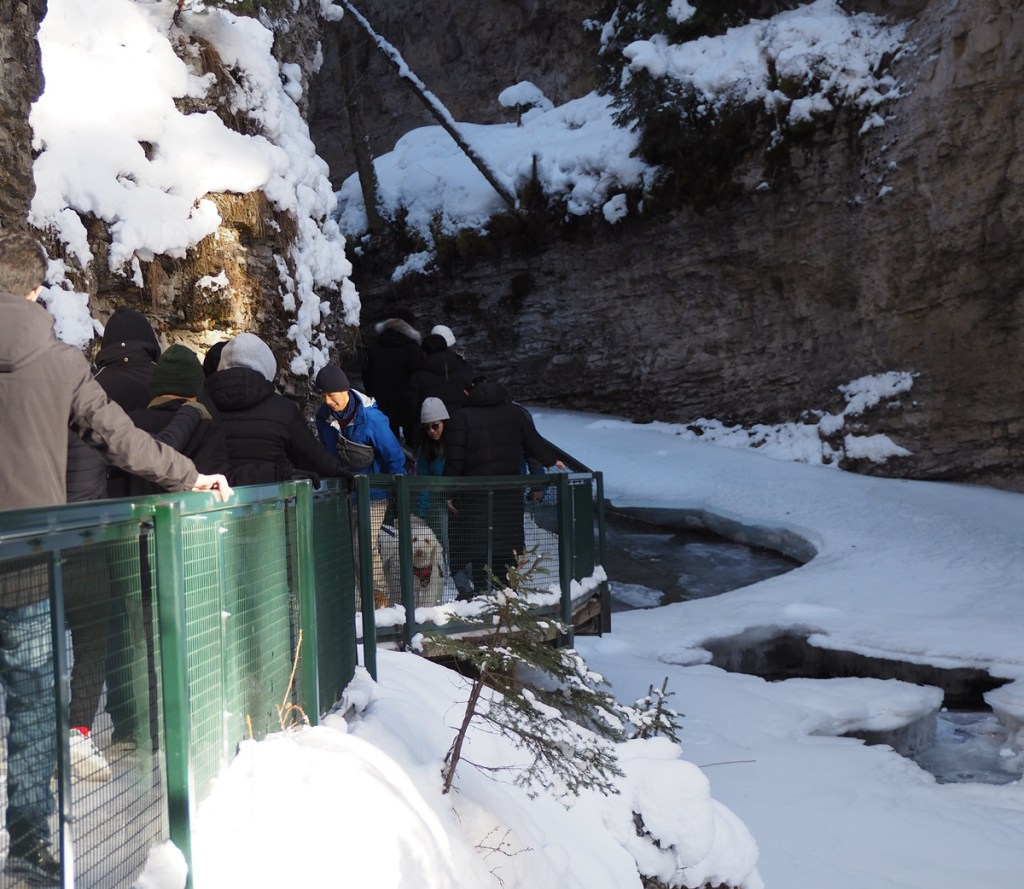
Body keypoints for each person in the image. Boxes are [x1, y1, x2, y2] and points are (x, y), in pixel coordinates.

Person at [0, 231, 231, 883]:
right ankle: (28, 841)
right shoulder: (64, 362)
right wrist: (190, 476)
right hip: (26, 566)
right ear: (36, 287)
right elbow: (124, 442)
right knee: (31, 703)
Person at [444, 377, 566, 598]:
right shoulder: (515, 414)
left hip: (475, 496)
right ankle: (508, 599)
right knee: (507, 547)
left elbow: (455, 459)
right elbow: (533, 441)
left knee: (480, 549)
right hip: (508, 494)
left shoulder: (461, 417)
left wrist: (449, 492)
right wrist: (551, 460)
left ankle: (483, 597)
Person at [205, 332, 351, 487]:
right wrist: (340, 472)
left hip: (213, 503)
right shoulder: (283, 409)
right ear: (266, 365)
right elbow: (311, 454)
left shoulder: (202, 405)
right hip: (273, 499)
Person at [314, 365, 407, 607]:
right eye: (323, 395)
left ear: (345, 390)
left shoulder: (371, 419)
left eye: (331, 395)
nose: (328, 401)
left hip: (374, 492)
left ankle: (380, 598)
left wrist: (399, 487)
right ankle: (356, 601)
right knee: (346, 547)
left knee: (361, 544)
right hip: (344, 493)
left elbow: (393, 455)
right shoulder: (324, 417)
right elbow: (328, 451)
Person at [360, 308, 422, 443]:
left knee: (388, 444)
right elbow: (418, 378)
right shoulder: (413, 348)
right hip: (408, 404)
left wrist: (372, 394)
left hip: (382, 403)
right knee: (414, 443)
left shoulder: (375, 346)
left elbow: (366, 375)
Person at [412, 397, 454, 573]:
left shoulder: (455, 442)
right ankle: (448, 574)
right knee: (443, 538)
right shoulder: (426, 449)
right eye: (427, 427)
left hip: (461, 498)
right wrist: (421, 513)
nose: (431, 431)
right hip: (439, 502)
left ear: (444, 422)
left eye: (435, 425)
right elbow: (424, 481)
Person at [405, 333, 475, 419]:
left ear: (424, 352)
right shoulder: (463, 367)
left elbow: (412, 407)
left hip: (432, 426)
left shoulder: (418, 376)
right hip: (463, 421)